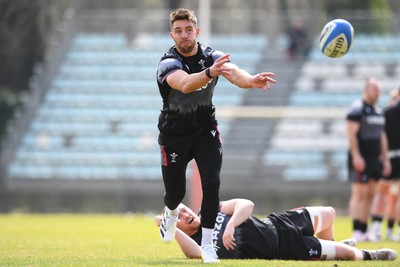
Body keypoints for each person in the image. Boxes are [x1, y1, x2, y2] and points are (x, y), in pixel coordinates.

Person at [156, 8, 277, 263]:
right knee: (175, 193)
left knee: (212, 182)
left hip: (204, 129)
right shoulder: (168, 63)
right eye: (178, 31)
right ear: (172, 35)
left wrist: (251, 80)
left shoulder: (211, 55)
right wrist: (210, 73)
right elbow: (186, 84)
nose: (184, 35)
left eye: (188, 29)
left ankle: (208, 244)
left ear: (196, 31)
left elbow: (233, 71)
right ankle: (170, 212)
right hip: (174, 134)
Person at [154, 198, 397, 261]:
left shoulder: (209, 210)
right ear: (178, 225)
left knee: (329, 213)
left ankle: (330, 248)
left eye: (183, 209)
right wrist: (168, 224)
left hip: (279, 222)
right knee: (347, 255)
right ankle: (370, 254)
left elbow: (246, 204)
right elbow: (193, 253)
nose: (186, 214)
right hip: (284, 247)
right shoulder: (201, 247)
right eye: (180, 217)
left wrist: (232, 226)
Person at [346, 77, 391, 242]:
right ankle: (356, 229)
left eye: (379, 89)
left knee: (371, 194)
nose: (377, 92)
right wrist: (356, 155)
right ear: (366, 90)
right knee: (360, 194)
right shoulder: (357, 110)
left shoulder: (379, 111)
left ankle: (365, 230)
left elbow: (382, 137)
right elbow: (351, 134)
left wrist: (385, 159)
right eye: (374, 89)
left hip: (374, 160)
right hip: (361, 158)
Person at [370, 87, 400, 241]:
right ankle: (393, 231)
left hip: (389, 157)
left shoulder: (385, 112)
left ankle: (375, 228)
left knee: (382, 193)